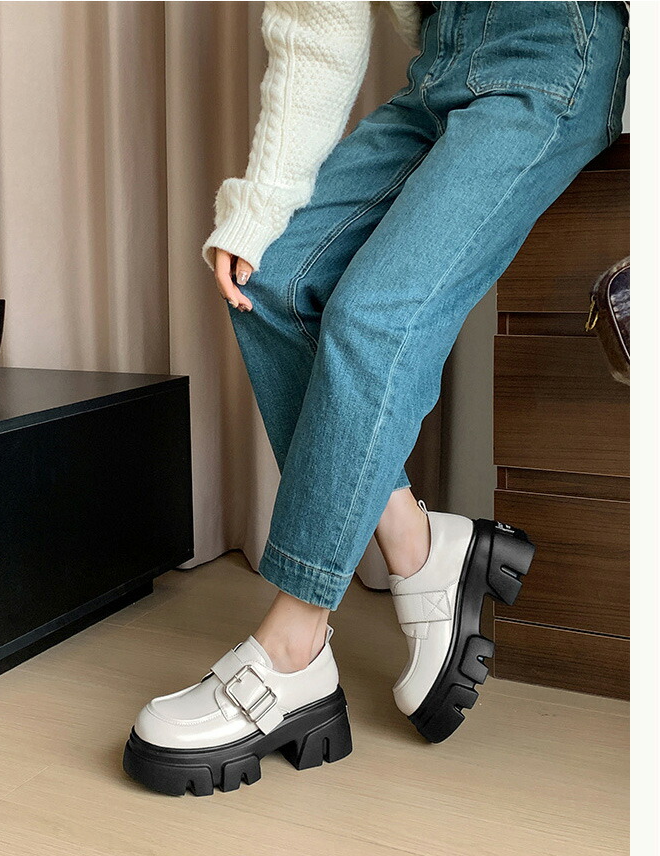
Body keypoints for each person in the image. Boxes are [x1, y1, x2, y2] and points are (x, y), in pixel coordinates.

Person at [123, 1, 630, 796]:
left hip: (557, 47)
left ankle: (294, 646)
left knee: (372, 317)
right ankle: (416, 545)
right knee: (272, 276)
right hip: (443, 59)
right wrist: (259, 204)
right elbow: (317, 31)